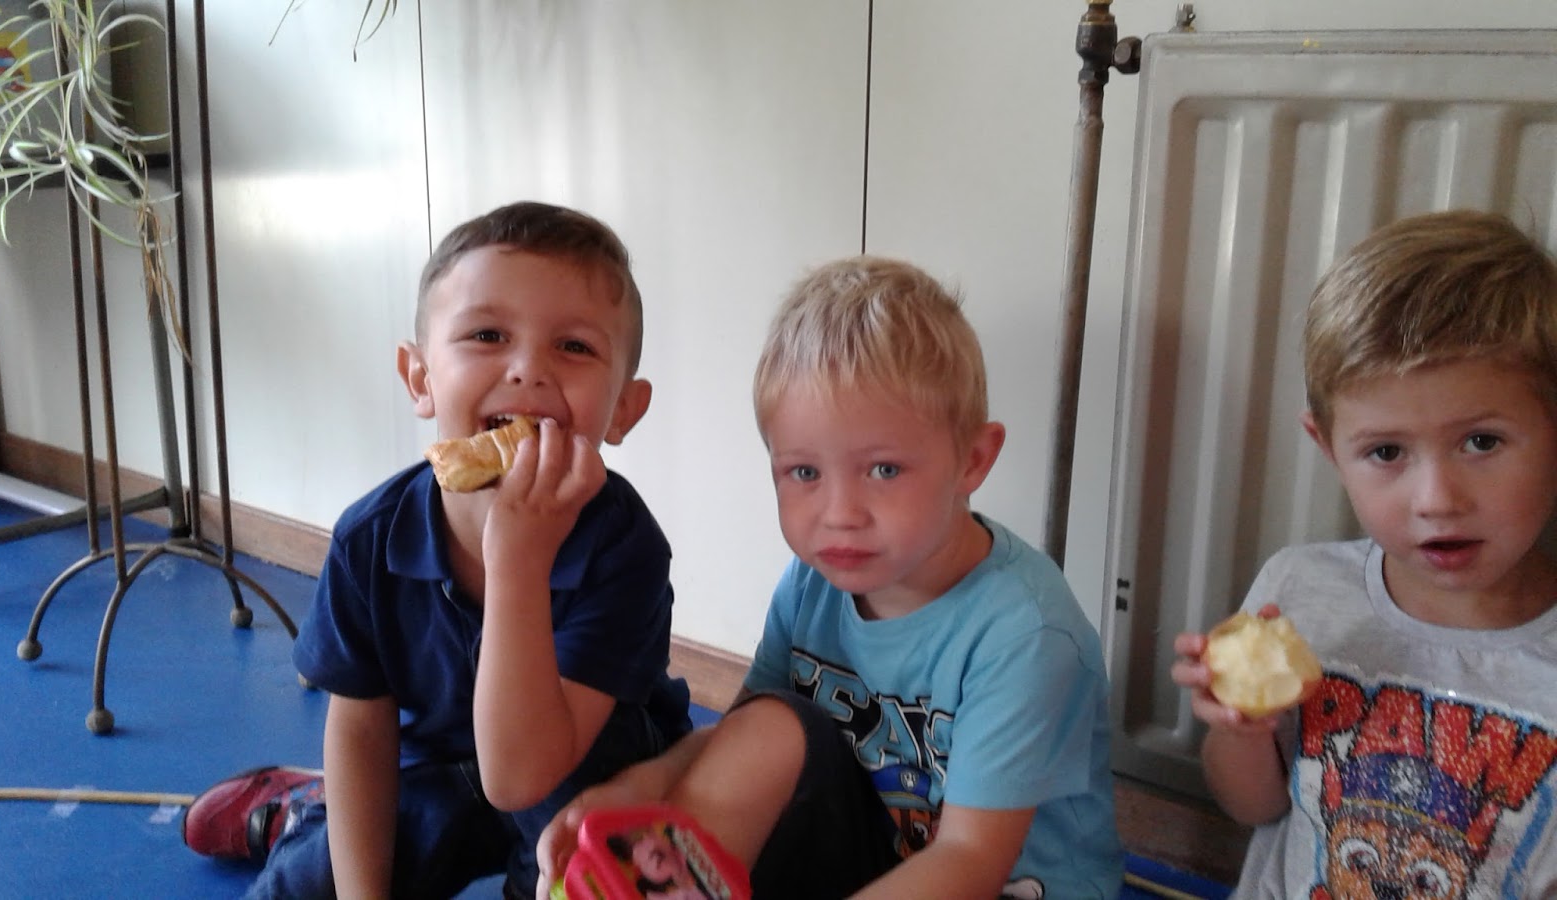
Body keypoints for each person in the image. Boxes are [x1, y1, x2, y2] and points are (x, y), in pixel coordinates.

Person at [538, 256, 1125, 899]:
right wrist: (646, 785)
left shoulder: (1025, 633)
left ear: (973, 460)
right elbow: (745, 736)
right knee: (768, 724)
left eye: (883, 471)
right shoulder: (812, 583)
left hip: (997, 883)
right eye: (805, 473)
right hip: (877, 858)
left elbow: (969, 860)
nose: (840, 515)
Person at [180, 201, 692, 899]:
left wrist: (518, 559)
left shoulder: (626, 550)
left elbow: (523, 775)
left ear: (624, 409)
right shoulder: (371, 538)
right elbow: (362, 730)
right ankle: (300, 813)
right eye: (487, 334)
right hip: (434, 770)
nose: (528, 369)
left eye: (573, 347)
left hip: (584, 776)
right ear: (420, 378)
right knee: (310, 884)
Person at [1169, 209, 1557, 897]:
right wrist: (1241, 729)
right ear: (1328, 448)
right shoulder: (1300, 587)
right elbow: (1254, 807)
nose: (1436, 499)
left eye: (1482, 442)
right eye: (1386, 452)